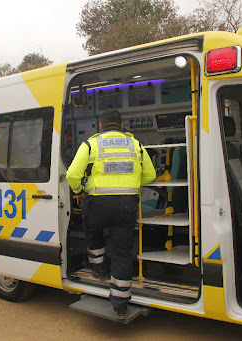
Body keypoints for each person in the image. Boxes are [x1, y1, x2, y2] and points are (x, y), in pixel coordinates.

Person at [66, 109, 156, 319]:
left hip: (97, 203)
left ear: (101, 126)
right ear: (121, 126)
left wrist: (79, 191)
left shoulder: (90, 144)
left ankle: (99, 269)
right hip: (127, 204)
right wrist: (130, 185)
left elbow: (72, 174)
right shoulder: (136, 145)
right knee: (123, 253)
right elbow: (150, 175)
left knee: (93, 231)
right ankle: (120, 305)